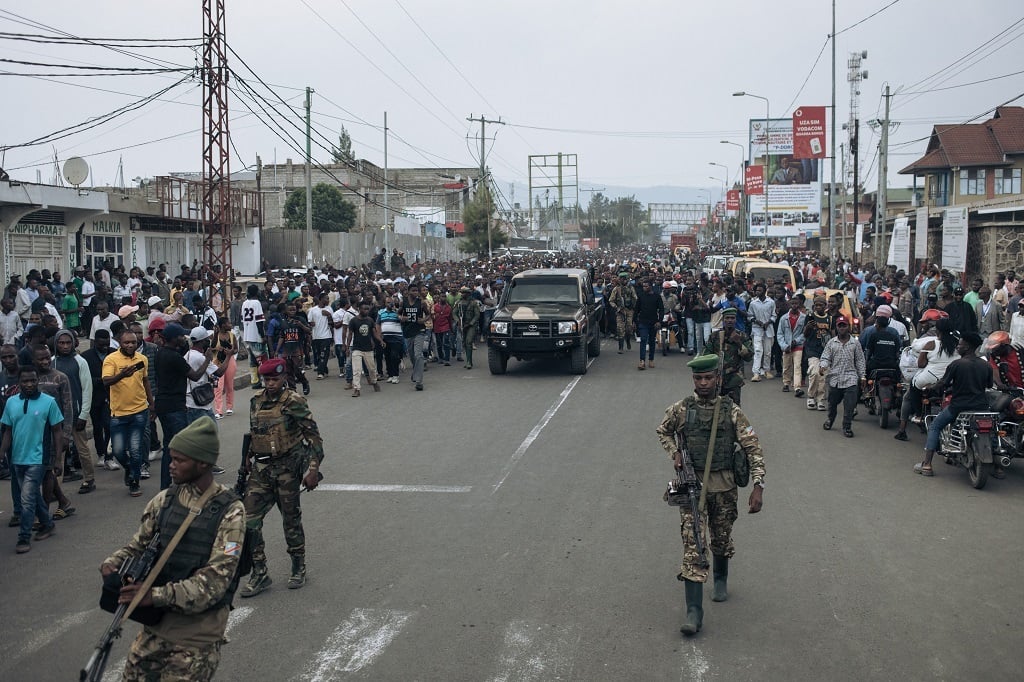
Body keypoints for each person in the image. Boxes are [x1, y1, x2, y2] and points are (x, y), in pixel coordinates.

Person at [98, 417, 245, 681]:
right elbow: (138, 546)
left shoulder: (230, 511)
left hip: (196, 639)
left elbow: (215, 583)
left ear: (203, 463)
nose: (171, 465)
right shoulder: (165, 500)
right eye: (171, 458)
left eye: (179, 460)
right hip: (157, 628)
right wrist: (113, 564)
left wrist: (153, 596)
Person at [655, 354, 765, 637]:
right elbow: (663, 432)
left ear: (717, 378)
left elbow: (753, 448)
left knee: (721, 537)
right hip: (693, 489)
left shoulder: (731, 411)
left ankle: (720, 578)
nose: (703, 383)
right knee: (694, 546)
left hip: (725, 487)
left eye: (708, 378)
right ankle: (694, 612)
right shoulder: (682, 409)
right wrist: (675, 453)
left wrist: (758, 486)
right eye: (698, 378)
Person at [240, 358, 324, 597]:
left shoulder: (294, 402)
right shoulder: (256, 402)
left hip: (287, 470)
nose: (270, 383)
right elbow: (255, 432)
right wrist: (246, 458)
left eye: (274, 379)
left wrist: (313, 470)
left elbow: (314, 439)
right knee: (249, 522)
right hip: (261, 471)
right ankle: (259, 572)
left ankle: (298, 566)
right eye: (266, 379)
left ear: (284, 378)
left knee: (291, 520)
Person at [915, 331, 993, 477]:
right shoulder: (985, 365)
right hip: (980, 407)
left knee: (935, 426)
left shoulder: (957, 364)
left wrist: (930, 387)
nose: (957, 347)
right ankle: (998, 468)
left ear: (968, 346)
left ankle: (926, 464)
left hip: (958, 407)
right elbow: (988, 384)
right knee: (992, 431)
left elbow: (943, 383)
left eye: (960, 344)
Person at [3, 365, 63, 554]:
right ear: (19, 383)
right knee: (33, 496)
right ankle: (47, 524)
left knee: (27, 499)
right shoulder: (11, 403)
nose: (29, 384)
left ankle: (24, 537)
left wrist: (58, 459)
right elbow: (8, 432)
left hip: (38, 459)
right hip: (16, 459)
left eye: (33, 380)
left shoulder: (49, 402)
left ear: (38, 381)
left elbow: (57, 432)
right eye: (25, 381)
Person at [102, 328, 155, 497]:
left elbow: (145, 381)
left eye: (133, 342)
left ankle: (135, 481)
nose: (131, 345)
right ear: (119, 342)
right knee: (117, 451)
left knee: (135, 449)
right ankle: (130, 469)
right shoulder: (111, 359)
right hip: (118, 413)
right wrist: (122, 375)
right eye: (127, 342)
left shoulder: (142, 359)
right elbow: (106, 381)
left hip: (140, 410)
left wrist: (151, 403)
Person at [894, 316, 959, 441]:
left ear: (937, 331)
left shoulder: (931, 344)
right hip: (951, 379)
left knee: (910, 392)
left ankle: (915, 417)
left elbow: (921, 364)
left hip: (930, 377)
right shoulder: (958, 344)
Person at [53, 329, 96, 494]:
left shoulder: (80, 361)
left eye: (68, 342)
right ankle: (56, 488)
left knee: (82, 448)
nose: (64, 346)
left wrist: (84, 414)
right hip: (57, 416)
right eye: (61, 343)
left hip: (77, 413)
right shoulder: (51, 362)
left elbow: (87, 389)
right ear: (56, 344)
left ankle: (89, 479)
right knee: (59, 451)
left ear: (73, 343)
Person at [819, 315, 866, 438]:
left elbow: (860, 361)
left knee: (849, 405)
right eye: (840, 326)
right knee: (832, 404)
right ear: (836, 327)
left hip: (850, 378)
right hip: (835, 378)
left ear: (848, 327)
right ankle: (830, 420)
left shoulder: (855, 344)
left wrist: (862, 377)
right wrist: (823, 366)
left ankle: (847, 427)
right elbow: (825, 357)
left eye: (844, 325)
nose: (842, 328)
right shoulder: (831, 343)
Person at [701, 308, 753, 405]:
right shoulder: (714, 336)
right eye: (727, 318)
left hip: (734, 379)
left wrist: (738, 342)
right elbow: (706, 356)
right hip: (716, 379)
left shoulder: (742, 336)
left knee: (734, 410)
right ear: (723, 320)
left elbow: (749, 357)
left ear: (735, 320)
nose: (729, 320)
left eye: (732, 318)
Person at [82, 330, 113, 470]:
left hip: (111, 396)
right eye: (102, 345)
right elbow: (84, 377)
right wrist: (102, 380)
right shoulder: (86, 357)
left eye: (107, 344)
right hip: (94, 396)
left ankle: (109, 456)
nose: (105, 347)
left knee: (108, 425)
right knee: (97, 426)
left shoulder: (114, 353)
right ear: (95, 342)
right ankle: (100, 453)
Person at [803, 296, 834, 410]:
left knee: (823, 376)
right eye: (816, 305)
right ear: (813, 306)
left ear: (825, 306)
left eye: (821, 305)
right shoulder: (810, 317)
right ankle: (811, 396)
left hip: (825, 351)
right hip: (812, 349)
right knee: (815, 372)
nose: (818, 307)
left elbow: (833, 336)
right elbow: (805, 335)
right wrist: (808, 327)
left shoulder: (830, 319)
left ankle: (820, 399)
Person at [347, 301, 382, 397]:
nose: (366, 311)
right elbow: (350, 334)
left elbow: (374, 332)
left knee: (371, 369)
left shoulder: (370, 320)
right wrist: (346, 347)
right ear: (359, 309)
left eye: (367, 309)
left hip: (368, 348)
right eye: (364, 309)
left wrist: (380, 340)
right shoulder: (354, 321)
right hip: (357, 348)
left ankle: (374, 382)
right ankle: (356, 389)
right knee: (357, 370)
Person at [400, 283, 431, 388]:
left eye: (416, 291)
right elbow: (398, 314)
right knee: (412, 356)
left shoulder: (421, 303)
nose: (415, 293)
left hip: (419, 331)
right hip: (408, 332)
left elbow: (429, 314)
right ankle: (415, 372)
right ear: (408, 292)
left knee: (418, 355)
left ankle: (419, 382)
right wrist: (401, 318)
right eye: (413, 291)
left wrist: (423, 320)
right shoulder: (403, 303)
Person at [775, 294, 806, 396]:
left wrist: (796, 341)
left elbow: (804, 333)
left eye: (796, 303)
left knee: (797, 366)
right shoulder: (784, 318)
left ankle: (797, 387)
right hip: (787, 346)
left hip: (798, 346)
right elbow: (780, 333)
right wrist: (784, 345)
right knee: (786, 366)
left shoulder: (803, 318)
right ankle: (786, 383)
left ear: (799, 304)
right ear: (789, 304)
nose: (794, 305)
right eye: (792, 303)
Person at [240, 284, 267, 389]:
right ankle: (265, 381)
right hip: (256, 336)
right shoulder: (257, 303)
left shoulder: (244, 303)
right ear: (256, 292)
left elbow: (243, 320)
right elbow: (259, 321)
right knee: (262, 359)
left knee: (252, 360)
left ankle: (255, 381)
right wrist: (263, 335)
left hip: (247, 335)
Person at [748, 284, 776, 381]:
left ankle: (766, 370)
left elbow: (774, 315)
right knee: (758, 351)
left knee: (768, 352)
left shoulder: (771, 302)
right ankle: (756, 373)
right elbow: (749, 316)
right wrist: (756, 321)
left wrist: (768, 322)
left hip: (768, 329)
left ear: (764, 291)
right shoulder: (753, 303)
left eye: (760, 290)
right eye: (756, 291)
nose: (757, 292)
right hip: (757, 329)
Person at [634, 280, 664, 370]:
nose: (644, 288)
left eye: (646, 286)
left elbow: (661, 310)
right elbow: (636, 310)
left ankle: (651, 359)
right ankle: (642, 361)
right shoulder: (641, 296)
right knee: (643, 340)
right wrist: (634, 321)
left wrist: (659, 321)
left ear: (651, 286)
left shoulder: (657, 297)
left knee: (651, 341)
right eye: (643, 286)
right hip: (643, 322)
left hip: (653, 322)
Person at [212, 317, 237, 419]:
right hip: (217, 362)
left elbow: (236, 349)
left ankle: (229, 407)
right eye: (228, 323)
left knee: (229, 386)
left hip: (229, 361)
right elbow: (212, 347)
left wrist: (231, 352)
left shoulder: (232, 335)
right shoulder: (215, 336)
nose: (230, 325)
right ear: (223, 325)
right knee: (218, 387)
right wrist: (217, 348)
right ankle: (218, 410)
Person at [452, 286, 480, 371]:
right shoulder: (458, 303)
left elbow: (477, 315)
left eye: (464, 292)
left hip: (471, 325)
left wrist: (471, 323)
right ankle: (468, 360)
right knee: (464, 343)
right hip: (462, 325)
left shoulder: (474, 303)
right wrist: (458, 321)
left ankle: (469, 362)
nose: (462, 294)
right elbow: (454, 313)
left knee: (468, 342)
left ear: (468, 294)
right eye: (462, 292)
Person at [608, 272, 637, 354]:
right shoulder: (616, 289)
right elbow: (611, 301)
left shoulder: (631, 288)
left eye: (625, 279)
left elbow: (635, 298)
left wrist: (634, 307)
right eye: (621, 279)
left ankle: (627, 341)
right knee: (620, 329)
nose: (623, 280)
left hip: (629, 310)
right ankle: (620, 347)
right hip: (620, 311)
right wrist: (617, 308)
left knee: (628, 328)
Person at [307, 293, 334, 380]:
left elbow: (332, 321)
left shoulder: (329, 309)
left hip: (326, 335)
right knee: (319, 355)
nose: (328, 300)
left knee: (324, 354)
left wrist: (328, 315)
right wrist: (311, 324)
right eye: (326, 299)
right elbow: (310, 322)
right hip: (316, 336)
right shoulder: (312, 310)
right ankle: (325, 370)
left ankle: (320, 372)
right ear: (321, 299)